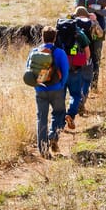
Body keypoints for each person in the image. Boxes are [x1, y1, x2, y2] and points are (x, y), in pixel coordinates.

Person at [28, 26, 69, 158]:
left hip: (40, 90)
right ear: (55, 37)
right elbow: (65, 71)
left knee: (41, 119)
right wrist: (61, 85)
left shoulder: (34, 52)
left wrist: (37, 86)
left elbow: (29, 71)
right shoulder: (60, 52)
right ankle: (53, 135)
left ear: (42, 37)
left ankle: (43, 150)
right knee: (59, 113)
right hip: (56, 89)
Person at [63, 8, 91, 130]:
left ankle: (59, 124)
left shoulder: (60, 32)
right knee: (75, 94)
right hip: (75, 68)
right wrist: (84, 61)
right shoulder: (80, 33)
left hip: (61, 68)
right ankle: (70, 114)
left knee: (61, 96)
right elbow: (87, 52)